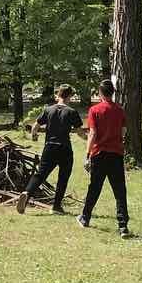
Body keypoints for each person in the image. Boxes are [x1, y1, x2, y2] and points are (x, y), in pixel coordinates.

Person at [18, 84, 84, 214]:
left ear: (58, 95)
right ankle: (56, 206)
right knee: (63, 176)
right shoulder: (71, 112)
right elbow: (79, 132)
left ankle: (27, 192)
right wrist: (89, 138)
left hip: (49, 147)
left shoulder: (48, 110)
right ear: (70, 96)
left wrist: (34, 136)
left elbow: (35, 126)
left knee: (40, 174)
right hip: (64, 148)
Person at [80, 78, 130, 238]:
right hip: (116, 154)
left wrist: (88, 154)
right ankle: (123, 226)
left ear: (100, 93)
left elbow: (93, 133)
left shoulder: (94, 110)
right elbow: (123, 132)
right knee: (119, 191)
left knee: (94, 187)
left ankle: (85, 218)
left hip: (99, 154)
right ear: (113, 92)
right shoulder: (120, 110)